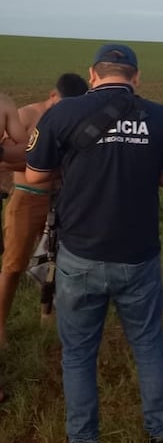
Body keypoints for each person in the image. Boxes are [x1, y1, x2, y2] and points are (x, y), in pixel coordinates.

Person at [25, 44, 163, 443]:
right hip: (138, 255)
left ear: (93, 75)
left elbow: (35, 176)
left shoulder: (60, 114)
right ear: (136, 77)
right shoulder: (161, 117)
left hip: (80, 255)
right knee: (148, 344)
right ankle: (161, 438)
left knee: (79, 353)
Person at [0, 74, 89, 347]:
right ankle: (0, 324)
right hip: (28, 198)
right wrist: (39, 165)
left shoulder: (76, 118)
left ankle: (48, 315)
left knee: (57, 262)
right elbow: (4, 157)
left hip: (62, 198)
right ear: (52, 95)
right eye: (61, 105)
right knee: (13, 265)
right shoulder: (26, 114)